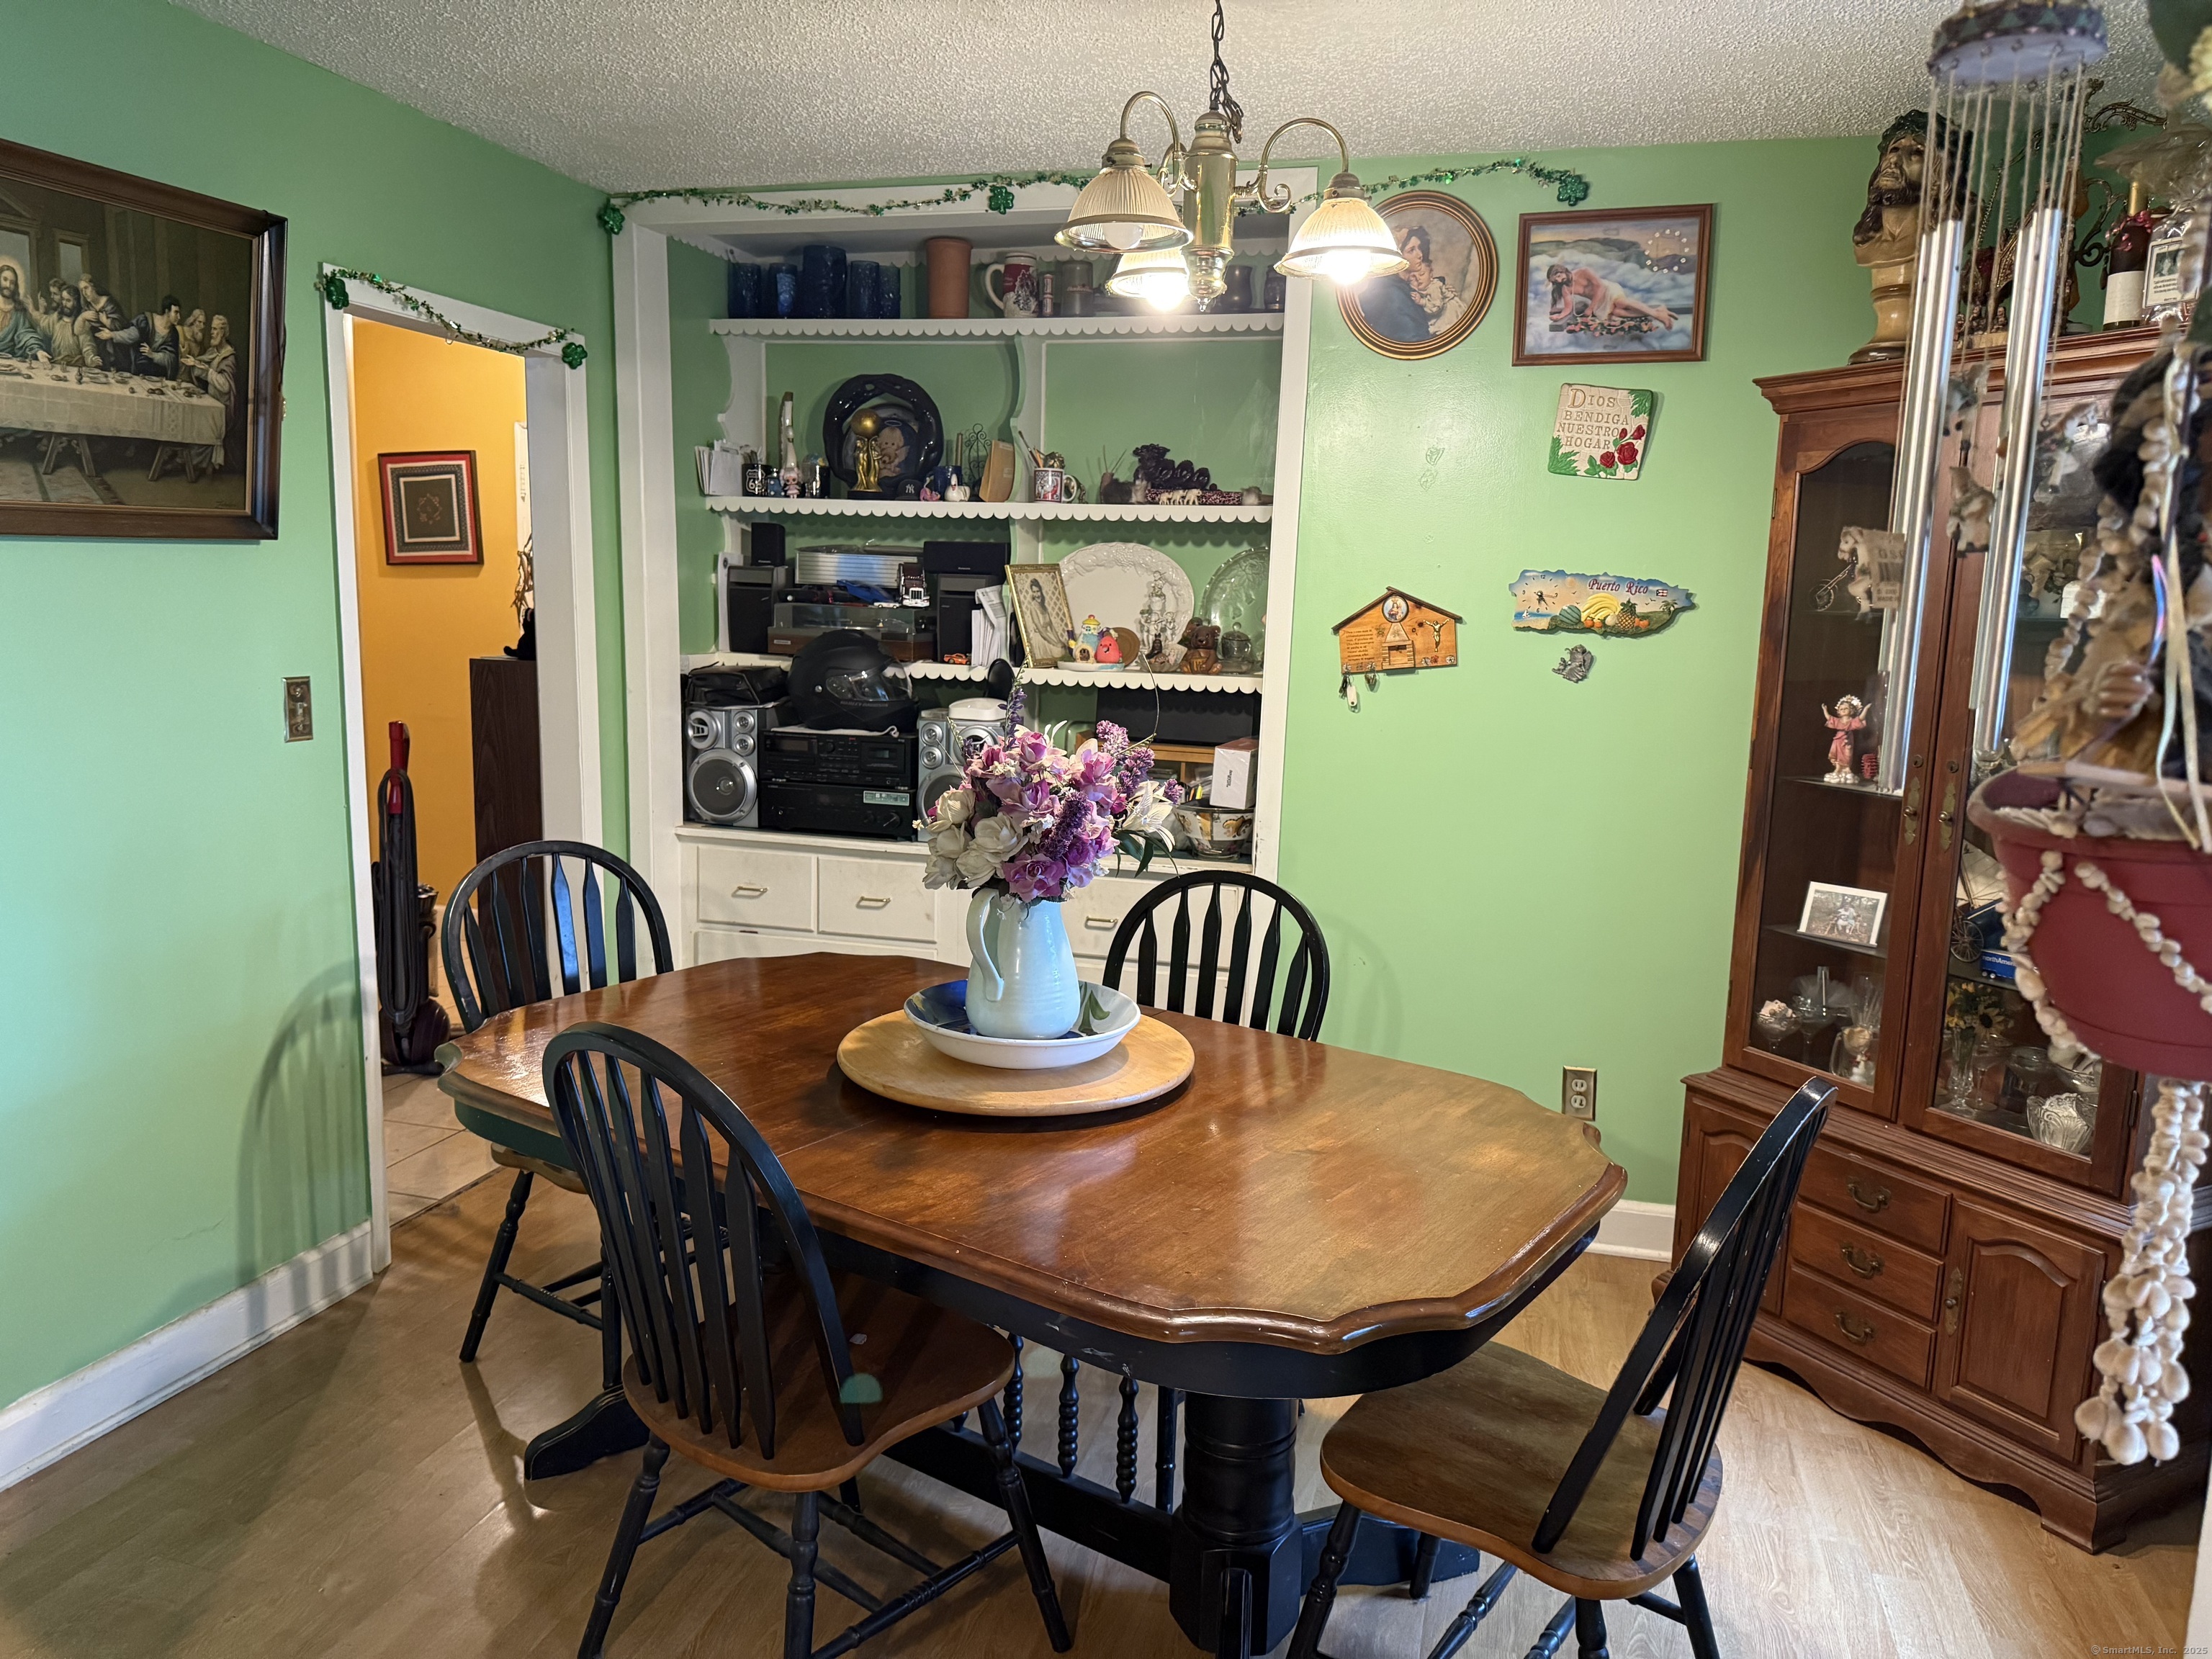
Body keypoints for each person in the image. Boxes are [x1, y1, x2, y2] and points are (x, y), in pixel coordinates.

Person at [1546, 261, 1676, 333]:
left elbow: (1600, 287)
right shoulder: (1565, 289)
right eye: (1555, 280)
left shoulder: (1583, 271)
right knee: (1616, 313)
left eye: (1558, 276)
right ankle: (1659, 311)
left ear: (1563, 270)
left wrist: (1591, 308)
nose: (1559, 280)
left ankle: (1658, 315)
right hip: (1599, 302)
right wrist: (1559, 316)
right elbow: (1568, 308)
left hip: (1607, 290)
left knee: (1620, 303)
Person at [101, 293, 184, 378]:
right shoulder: (146, 320)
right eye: (176, 313)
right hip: (139, 367)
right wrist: (112, 335)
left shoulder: (174, 334)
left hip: (158, 373)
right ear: (167, 312)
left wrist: (153, 355)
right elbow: (131, 334)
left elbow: (171, 358)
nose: (179, 317)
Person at [0, 263, 51, 362]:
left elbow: (26, 334)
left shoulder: (18, 311)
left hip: (10, 361)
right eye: (5, 280)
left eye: (12, 282)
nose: (8, 285)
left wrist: (37, 350)